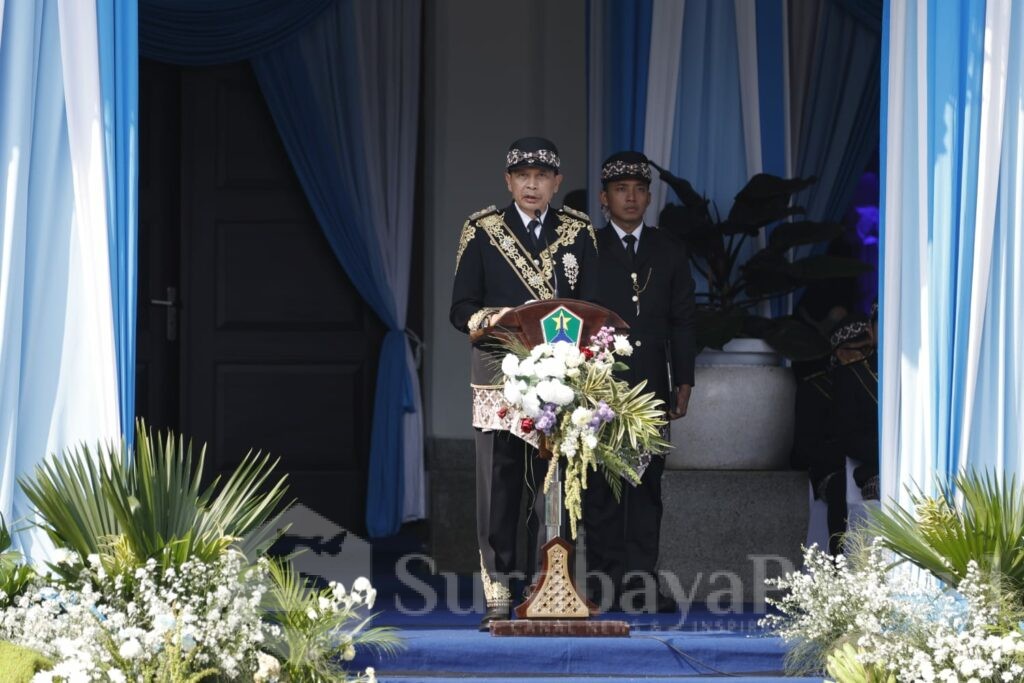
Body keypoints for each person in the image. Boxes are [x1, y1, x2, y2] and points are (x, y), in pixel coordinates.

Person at [449, 137, 599, 629]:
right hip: (499, 380)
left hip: (563, 380)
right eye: (523, 176)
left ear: (557, 183)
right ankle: (498, 589)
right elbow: (460, 310)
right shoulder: (483, 230)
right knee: (500, 484)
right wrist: (504, 320)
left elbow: (594, 308)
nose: (532, 184)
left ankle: (549, 586)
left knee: (553, 489)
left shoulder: (578, 232)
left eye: (542, 176)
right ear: (508, 181)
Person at [583, 151, 696, 613]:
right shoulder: (584, 249)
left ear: (648, 197)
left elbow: (683, 320)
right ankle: (603, 583)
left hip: (650, 390)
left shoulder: (667, 248)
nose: (630, 197)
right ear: (604, 198)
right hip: (597, 390)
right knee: (601, 488)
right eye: (620, 190)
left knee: (646, 487)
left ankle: (641, 583)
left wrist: (684, 379)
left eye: (639, 189)